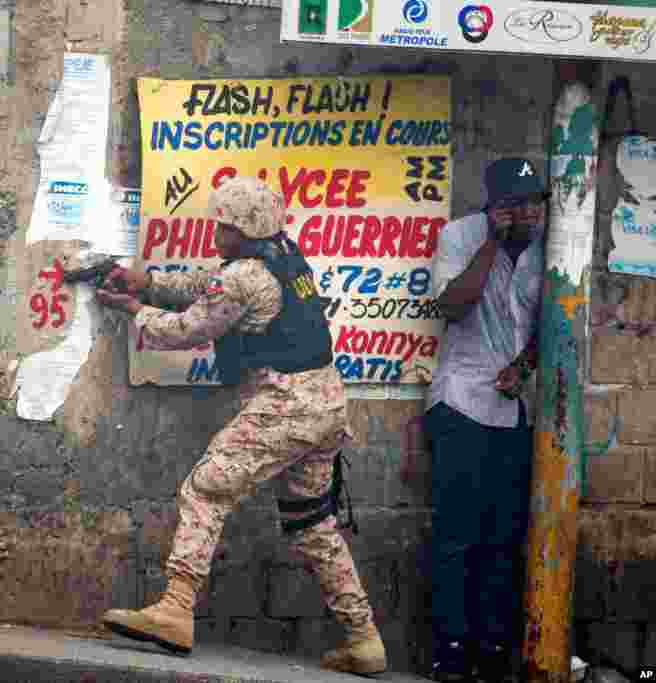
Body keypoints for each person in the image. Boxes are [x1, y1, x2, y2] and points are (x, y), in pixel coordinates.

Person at [93, 176, 387, 676]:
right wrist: (149, 282)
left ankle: (175, 608)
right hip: (326, 408)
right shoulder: (284, 255)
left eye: (224, 227)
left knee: (206, 490)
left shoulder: (246, 276)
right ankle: (364, 639)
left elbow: (189, 329)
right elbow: (209, 286)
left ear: (246, 232)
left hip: (286, 406)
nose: (216, 233)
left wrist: (135, 310)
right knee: (312, 523)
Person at [422, 157, 547, 682]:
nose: (525, 215)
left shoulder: (552, 246)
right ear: (491, 207)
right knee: (457, 537)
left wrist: (526, 364)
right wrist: (492, 242)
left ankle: (493, 655)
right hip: (461, 403)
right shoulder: (460, 236)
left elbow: (557, 319)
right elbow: (452, 306)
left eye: (532, 204)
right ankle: (449, 655)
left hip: (514, 412)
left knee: (503, 539)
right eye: (512, 206)